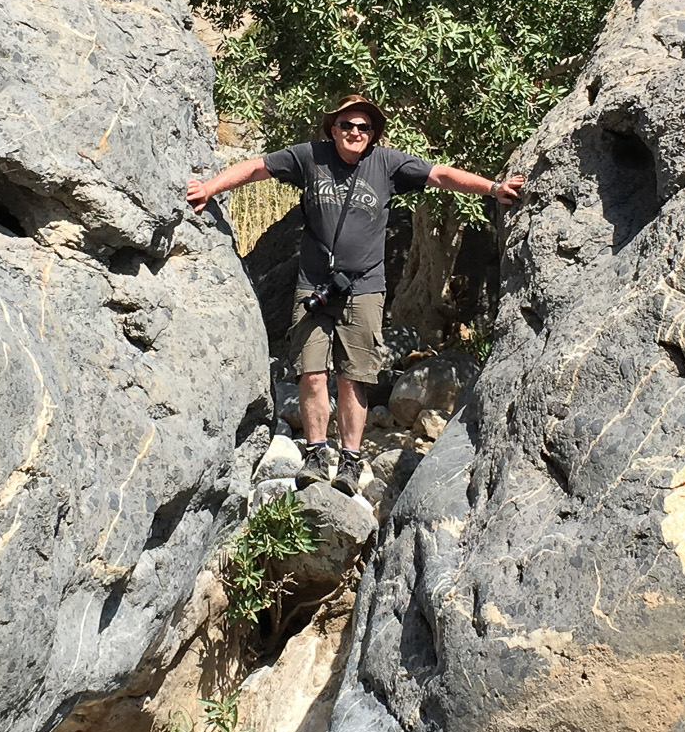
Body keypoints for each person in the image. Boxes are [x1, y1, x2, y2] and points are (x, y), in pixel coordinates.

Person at [186, 95, 526, 497]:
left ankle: (349, 459)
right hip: (314, 284)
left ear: (372, 134)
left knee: (354, 377)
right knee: (311, 373)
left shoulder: (387, 163)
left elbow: (441, 175)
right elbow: (257, 167)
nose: (355, 132)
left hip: (363, 287)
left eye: (364, 127)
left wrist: (494, 188)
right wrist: (209, 188)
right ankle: (315, 454)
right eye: (347, 125)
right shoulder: (310, 157)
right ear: (334, 129)